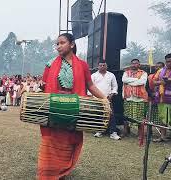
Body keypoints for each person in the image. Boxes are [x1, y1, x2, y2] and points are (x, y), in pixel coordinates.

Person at [38, 33, 106, 179]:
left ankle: (61, 172)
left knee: (69, 142)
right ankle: (48, 173)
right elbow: (43, 87)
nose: (58, 46)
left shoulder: (82, 65)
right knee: (50, 141)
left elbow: (91, 86)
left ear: (72, 44)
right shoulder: (50, 65)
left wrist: (105, 99)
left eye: (62, 43)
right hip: (54, 111)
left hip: (74, 112)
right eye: (57, 44)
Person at [91, 61, 121, 140]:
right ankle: (99, 131)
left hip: (108, 98)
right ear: (98, 66)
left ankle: (113, 132)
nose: (102, 67)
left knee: (111, 115)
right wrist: (93, 96)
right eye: (100, 65)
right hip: (97, 98)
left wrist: (112, 94)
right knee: (98, 114)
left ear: (106, 66)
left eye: (104, 65)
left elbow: (115, 86)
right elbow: (90, 87)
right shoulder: (94, 75)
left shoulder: (111, 75)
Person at [122, 59, 148, 134]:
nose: (134, 65)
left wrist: (130, 82)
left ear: (139, 65)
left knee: (140, 117)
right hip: (128, 97)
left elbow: (142, 82)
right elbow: (124, 80)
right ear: (130, 64)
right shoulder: (126, 72)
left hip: (139, 98)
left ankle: (140, 133)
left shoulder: (144, 73)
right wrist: (136, 80)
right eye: (132, 63)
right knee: (126, 116)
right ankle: (126, 132)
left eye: (136, 63)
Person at [153, 54, 171, 142]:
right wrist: (162, 82)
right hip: (162, 98)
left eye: (170, 61)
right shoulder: (160, 71)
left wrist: (169, 80)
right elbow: (154, 82)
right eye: (167, 61)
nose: (169, 63)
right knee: (163, 117)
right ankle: (162, 136)